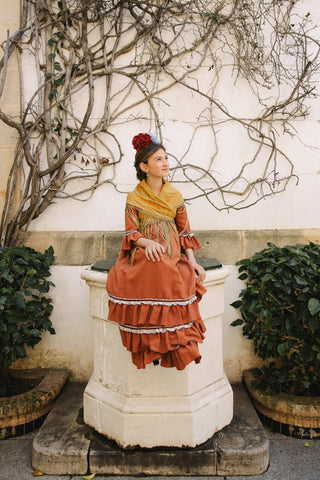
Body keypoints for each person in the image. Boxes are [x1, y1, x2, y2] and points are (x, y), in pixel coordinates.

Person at [106, 133, 207, 370]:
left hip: (173, 252)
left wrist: (193, 261)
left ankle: (175, 344)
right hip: (145, 253)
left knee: (177, 273)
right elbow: (131, 232)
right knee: (156, 263)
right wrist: (147, 243)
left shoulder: (175, 196)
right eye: (158, 159)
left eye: (166, 158)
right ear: (144, 166)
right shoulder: (134, 197)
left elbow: (185, 232)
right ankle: (150, 345)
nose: (165, 163)